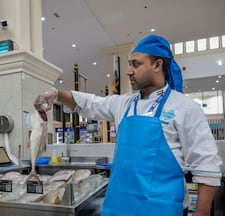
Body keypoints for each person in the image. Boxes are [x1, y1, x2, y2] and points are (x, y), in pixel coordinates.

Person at [34, 34, 222, 216]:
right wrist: (56, 94)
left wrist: (201, 212)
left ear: (157, 65)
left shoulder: (185, 107)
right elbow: (90, 103)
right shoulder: (124, 104)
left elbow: (206, 164)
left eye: (136, 64)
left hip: (161, 208)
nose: (129, 71)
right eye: (129, 64)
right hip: (119, 206)